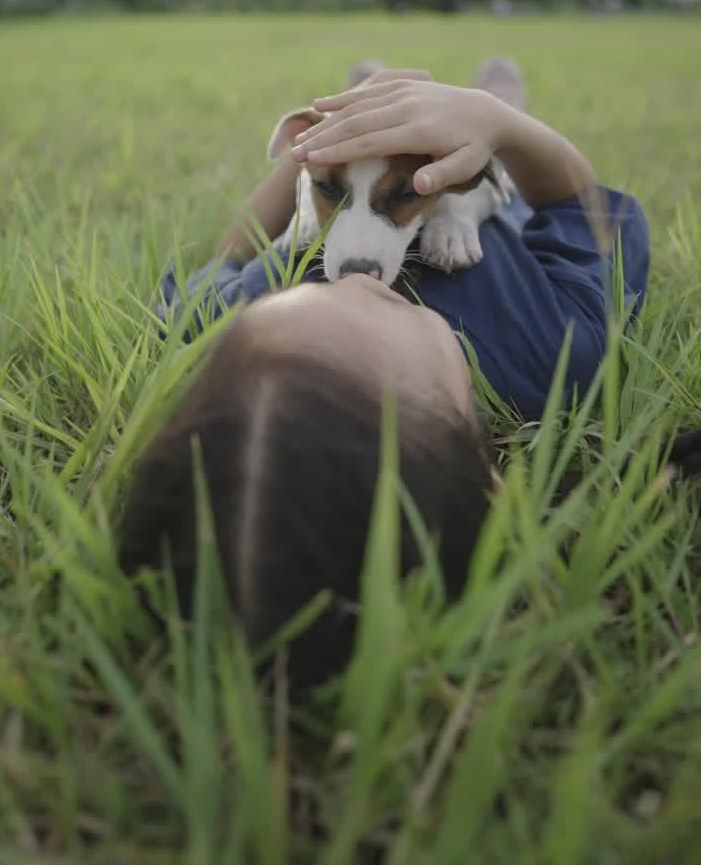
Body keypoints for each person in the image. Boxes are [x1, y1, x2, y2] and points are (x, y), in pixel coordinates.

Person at [117, 59, 660, 687]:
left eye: (307, 301)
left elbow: (231, 255)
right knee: (496, 116)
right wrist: (504, 127)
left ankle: (392, 84)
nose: (345, 280)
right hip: (501, 199)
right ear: (481, 471)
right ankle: (498, 92)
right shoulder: (554, 354)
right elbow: (581, 209)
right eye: (369, 322)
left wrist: (335, 134)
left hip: (401, 164)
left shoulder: (222, 318)